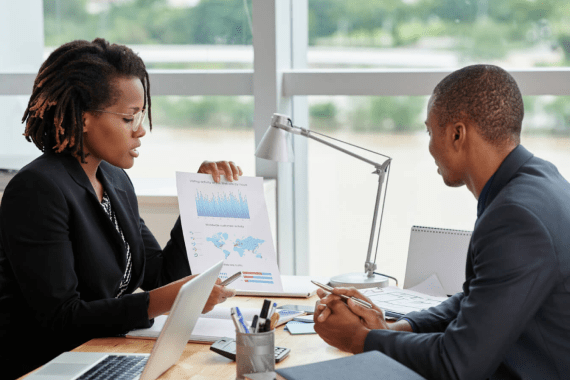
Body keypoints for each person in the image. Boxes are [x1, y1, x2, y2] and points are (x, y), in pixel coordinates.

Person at [0, 38, 240, 379]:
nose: (141, 130)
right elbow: (60, 318)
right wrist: (163, 300)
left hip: (101, 353)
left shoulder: (113, 179)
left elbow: (159, 275)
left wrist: (198, 199)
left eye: (140, 115)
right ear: (83, 119)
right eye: (129, 118)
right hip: (45, 366)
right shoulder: (38, 189)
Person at [313, 65, 570, 379]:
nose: (431, 146)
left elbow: (457, 364)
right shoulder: (541, 181)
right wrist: (398, 327)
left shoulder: (515, 218)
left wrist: (358, 339)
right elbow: (479, 297)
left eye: (430, 131)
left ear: (457, 134)